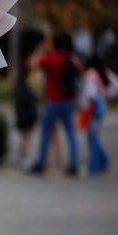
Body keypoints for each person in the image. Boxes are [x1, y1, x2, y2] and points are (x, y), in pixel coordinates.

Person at [28, 33, 83, 175]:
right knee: (71, 133)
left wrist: (41, 48)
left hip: (53, 100)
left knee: (45, 132)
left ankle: (41, 164)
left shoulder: (52, 59)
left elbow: (33, 63)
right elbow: (80, 73)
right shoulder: (73, 58)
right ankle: (73, 164)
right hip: (69, 100)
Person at [79, 56, 118, 175]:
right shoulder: (104, 72)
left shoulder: (91, 74)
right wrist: (106, 93)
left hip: (93, 106)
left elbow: (90, 93)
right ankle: (104, 161)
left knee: (92, 137)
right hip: (101, 105)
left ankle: (94, 166)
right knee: (94, 136)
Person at [13, 63, 38, 171]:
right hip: (27, 117)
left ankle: (23, 159)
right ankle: (25, 160)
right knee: (27, 140)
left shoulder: (19, 86)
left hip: (22, 117)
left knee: (24, 139)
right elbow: (31, 99)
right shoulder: (24, 87)